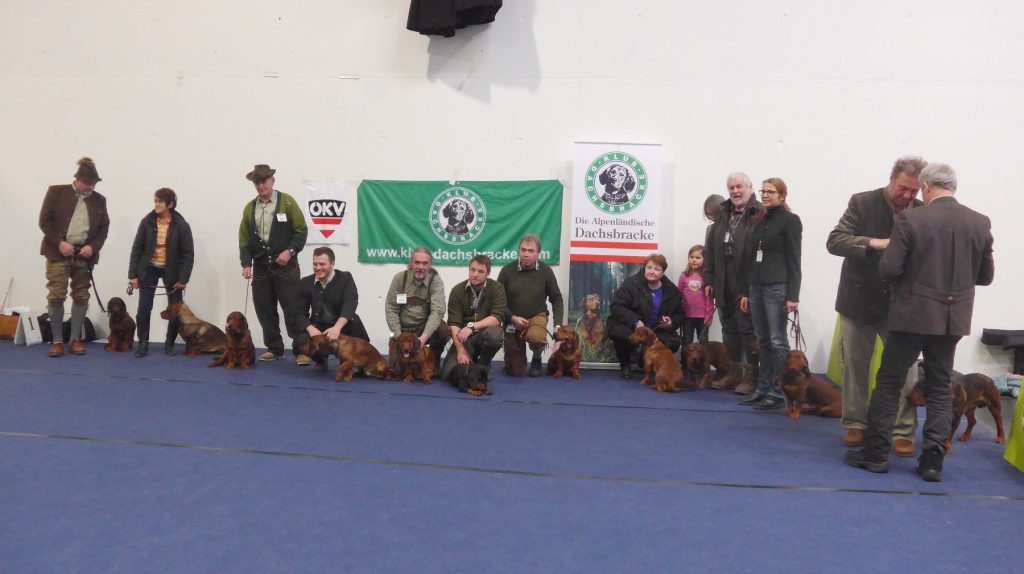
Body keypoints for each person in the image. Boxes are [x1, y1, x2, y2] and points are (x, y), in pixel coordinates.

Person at [845, 163, 994, 482]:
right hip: (953, 320)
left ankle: (875, 456)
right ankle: (932, 461)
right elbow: (985, 276)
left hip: (910, 317)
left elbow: (889, 269)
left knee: (889, 383)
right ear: (953, 186)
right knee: (940, 387)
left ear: (926, 187)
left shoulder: (909, 219)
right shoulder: (980, 222)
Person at [826, 156, 927, 454]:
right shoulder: (862, 202)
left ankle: (903, 430)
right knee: (855, 366)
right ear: (892, 178)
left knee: (907, 370)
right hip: (858, 299)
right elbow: (835, 241)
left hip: (901, 304)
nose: (908, 196)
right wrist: (873, 243)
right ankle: (856, 424)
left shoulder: (923, 211)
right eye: (904, 188)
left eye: (914, 191)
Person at [737, 178, 802, 410]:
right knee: (762, 340)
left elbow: (795, 260)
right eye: (763, 191)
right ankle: (763, 387)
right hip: (756, 286)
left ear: (782, 195)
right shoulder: (759, 219)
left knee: (777, 341)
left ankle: (778, 390)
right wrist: (745, 291)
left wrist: (793, 295)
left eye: (771, 192)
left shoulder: (791, 221)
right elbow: (749, 259)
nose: (765, 195)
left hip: (777, 286)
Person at [38, 157, 110, 357]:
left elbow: (104, 229)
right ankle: (57, 341)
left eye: (94, 183)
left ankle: (75, 339)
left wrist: (92, 247)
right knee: (56, 295)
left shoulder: (100, 200)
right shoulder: (56, 192)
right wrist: (59, 242)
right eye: (88, 183)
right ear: (77, 179)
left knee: (81, 295)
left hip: (83, 255)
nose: (91, 187)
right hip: (58, 252)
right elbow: (45, 222)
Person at [238, 164, 307, 361]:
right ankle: (275, 348)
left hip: (286, 268)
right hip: (261, 269)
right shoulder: (250, 208)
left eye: (264, 182)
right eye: (257, 183)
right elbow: (244, 240)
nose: (261, 186)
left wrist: (290, 251)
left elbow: (301, 231)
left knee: (293, 309)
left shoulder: (287, 202)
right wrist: (245, 264)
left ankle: (302, 350)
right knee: (264, 309)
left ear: (272, 181)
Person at [703, 173, 764, 393]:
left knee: (748, 331)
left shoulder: (760, 213)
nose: (735, 191)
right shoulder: (722, 215)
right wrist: (709, 279)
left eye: (739, 187)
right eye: (731, 188)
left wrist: (750, 288)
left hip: (747, 283)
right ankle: (733, 373)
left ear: (749, 187)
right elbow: (710, 252)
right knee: (729, 329)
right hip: (723, 283)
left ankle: (751, 376)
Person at [127, 188, 195, 357]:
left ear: (170, 204)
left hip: (172, 271)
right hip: (148, 268)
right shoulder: (147, 222)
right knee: (143, 308)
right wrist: (133, 276)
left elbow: (188, 254)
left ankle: (169, 344)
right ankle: (142, 344)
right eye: (155, 201)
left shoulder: (181, 225)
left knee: (175, 309)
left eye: (160, 201)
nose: (156, 204)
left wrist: (183, 279)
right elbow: (137, 249)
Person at [607, 253, 686, 379]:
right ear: (644, 268)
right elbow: (616, 306)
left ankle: (643, 361)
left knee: (673, 342)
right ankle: (625, 364)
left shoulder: (672, 291)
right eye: (649, 268)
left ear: (662, 273)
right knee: (619, 332)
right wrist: (635, 321)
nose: (652, 272)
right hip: (632, 327)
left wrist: (671, 321)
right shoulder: (631, 283)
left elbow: (680, 314)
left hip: (656, 331)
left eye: (657, 269)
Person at [497, 235, 565, 377]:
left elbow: (557, 299)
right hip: (513, 319)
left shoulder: (546, 272)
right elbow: (498, 302)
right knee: (515, 372)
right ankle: (513, 359)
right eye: (523, 250)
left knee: (537, 337)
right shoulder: (507, 271)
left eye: (531, 251)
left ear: (538, 253)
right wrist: (512, 317)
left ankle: (537, 358)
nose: (526, 254)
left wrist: (558, 324)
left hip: (536, 316)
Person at [292, 247, 369, 365]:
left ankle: (352, 361)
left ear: (332, 264)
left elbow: (351, 302)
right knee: (300, 342)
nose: (318, 268)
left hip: (341, 325)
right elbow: (298, 313)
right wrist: (311, 329)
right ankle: (321, 359)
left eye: (322, 264)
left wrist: (337, 328)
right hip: (318, 326)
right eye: (315, 264)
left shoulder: (346, 278)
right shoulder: (305, 282)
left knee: (356, 325)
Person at [442, 254, 507, 380]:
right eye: (472, 270)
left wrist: (471, 327)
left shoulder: (497, 288)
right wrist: (461, 350)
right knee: (448, 375)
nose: (475, 274)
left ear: (488, 273)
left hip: (483, 336)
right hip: (462, 339)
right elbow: (454, 324)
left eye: (480, 271)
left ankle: (483, 365)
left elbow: (496, 317)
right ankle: (469, 362)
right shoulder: (457, 291)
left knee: (495, 334)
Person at [385, 247, 450, 369]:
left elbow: (437, 312)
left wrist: (422, 339)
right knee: (395, 371)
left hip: (423, 328)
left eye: (425, 263)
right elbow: (391, 309)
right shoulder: (399, 279)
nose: (421, 267)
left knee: (443, 330)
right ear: (411, 263)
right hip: (402, 330)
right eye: (417, 262)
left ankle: (434, 359)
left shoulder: (436, 281)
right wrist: (399, 337)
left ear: (430, 265)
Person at [677, 245, 713, 346]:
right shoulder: (684, 276)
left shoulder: (706, 277)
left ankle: (704, 361)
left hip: (703, 317)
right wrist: (679, 312)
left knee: (703, 340)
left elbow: (709, 298)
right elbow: (678, 295)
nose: (694, 260)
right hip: (687, 315)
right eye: (691, 257)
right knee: (687, 339)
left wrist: (709, 315)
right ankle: (685, 361)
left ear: (704, 260)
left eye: (698, 258)